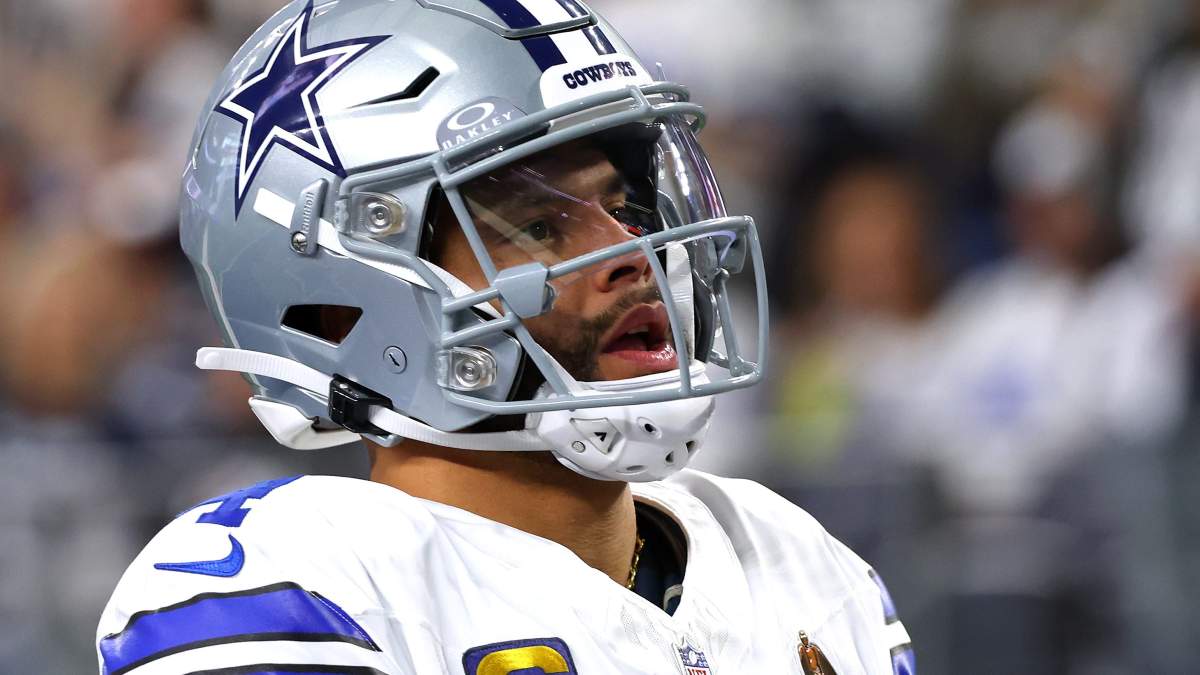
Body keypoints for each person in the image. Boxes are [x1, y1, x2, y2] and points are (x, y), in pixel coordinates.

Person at [96, 1, 913, 673]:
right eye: (538, 225)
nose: (633, 255)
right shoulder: (300, 586)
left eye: (622, 208)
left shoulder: (795, 563)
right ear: (344, 304)